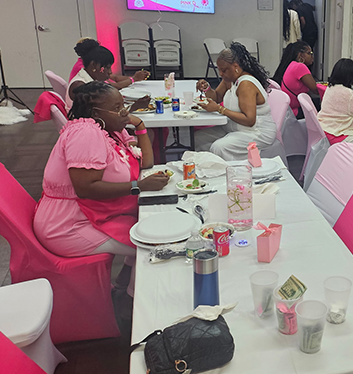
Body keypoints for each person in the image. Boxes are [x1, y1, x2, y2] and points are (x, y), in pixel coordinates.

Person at [33, 81, 168, 295]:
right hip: (68, 225)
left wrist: (140, 125)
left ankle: (125, 283)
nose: (124, 112)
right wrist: (137, 186)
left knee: (150, 226)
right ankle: (136, 302)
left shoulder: (110, 130)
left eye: (123, 105)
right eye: (117, 108)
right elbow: (85, 188)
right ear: (96, 112)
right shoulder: (85, 133)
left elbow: (146, 163)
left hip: (92, 214)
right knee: (153, 244)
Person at [193, 43, 277, 161]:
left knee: (219, 147)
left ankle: (229, 170)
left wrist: (219, 109)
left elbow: (249, 120)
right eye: (219, 70)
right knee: (198, 138)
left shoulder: (246, 84)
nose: (221, 74)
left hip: (256, 131)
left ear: (235, 66)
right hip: (235, 128)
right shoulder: (230, 79)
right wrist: (206, 88)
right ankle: (207, 168)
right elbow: (217, 97)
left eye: (224, 70)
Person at [69, 38, 150, 91]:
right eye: (107, 67)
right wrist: (133, 79)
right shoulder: (82, 76)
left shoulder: (92, 70)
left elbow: (114, 77)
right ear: (93, 64)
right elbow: (112, 87)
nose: (110, 71)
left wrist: (136, 77)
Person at [273, 41, 324, 117]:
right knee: (323, 106)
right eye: (309, 53)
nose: (312, 56)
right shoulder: (300, 67)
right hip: (294, 112)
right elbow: (315, 90)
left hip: (286, 109)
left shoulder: (292, 65)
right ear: (300, 55)